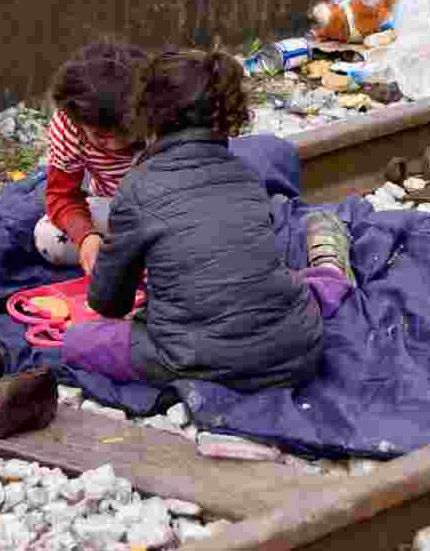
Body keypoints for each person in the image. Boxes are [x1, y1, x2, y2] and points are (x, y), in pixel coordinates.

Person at [62, 48, 357, 391]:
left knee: (78, 341)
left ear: (148, 115)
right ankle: (330, 265)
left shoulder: (137, 186)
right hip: (295, 352)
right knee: (300, 286)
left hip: (197, 359)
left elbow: (109, 302)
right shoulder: (247, 174)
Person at [34, 41, 149, 275]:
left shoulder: (164, 114)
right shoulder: (69, 127)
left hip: (172, 210)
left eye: (127, 132)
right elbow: (61, 195)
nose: (117, 146)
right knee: (48, 238)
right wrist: (86, 237)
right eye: (100, 137)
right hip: (114, 210)